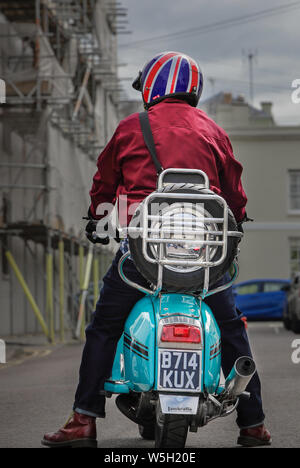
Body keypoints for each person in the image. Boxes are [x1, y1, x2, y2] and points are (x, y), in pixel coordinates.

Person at [42, 51, 271, 448]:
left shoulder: (132, 128)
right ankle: (253, 425)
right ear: (192, 89)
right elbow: (235, 195)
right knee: (232, 326)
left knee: (104, 326)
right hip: (205, 260)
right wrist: (238, 217)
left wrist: (97, 216)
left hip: (145, 259)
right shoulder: (214, 131)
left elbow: (104, 185)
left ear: (153, 85)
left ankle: (83, 420)